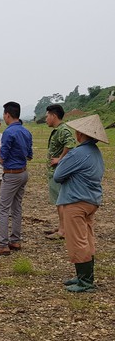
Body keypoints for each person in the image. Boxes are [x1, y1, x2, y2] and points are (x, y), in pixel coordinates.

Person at [54, 114, 107, 292]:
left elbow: (58, 175)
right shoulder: (96, 153)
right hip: (91, 201)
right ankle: (83, 276)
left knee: (77, 240)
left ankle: (85, 282)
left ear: (80, 134)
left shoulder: (77, 153)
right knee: (87, 238)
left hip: (76, 201)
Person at [0, 102, 33, 256]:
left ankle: (2, 244)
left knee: (3, 209)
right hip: (23, 173)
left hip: (11, 174)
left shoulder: (9, 133)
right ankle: (15, 240)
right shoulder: (26, 132)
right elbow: (29, 156)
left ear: (7, 115)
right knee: (16, 207)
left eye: (4, 115)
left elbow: (3, 158)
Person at [44, 104, 76, 240]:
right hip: (55, 172)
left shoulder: (63, 130)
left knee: (61, 202)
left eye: (47, 116)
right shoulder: (58, 130)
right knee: (59, 202)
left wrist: (60, 159)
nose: (46, 119)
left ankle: (63, 230)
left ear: (53, 116)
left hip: (59, 172)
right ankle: (61, 226)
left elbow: (71, 144)